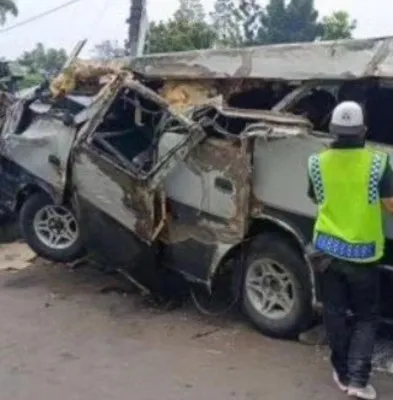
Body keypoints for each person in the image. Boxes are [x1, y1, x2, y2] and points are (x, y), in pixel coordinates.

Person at [307, 101, 393, 400]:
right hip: (363, 254)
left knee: (334, 312)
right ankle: (358, 381)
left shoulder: (316, 162)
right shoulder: (379, 163)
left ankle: (342, 373)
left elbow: (316, 197)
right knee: (366, 318)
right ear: (364, 131)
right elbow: (390, 206)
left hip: (326, 251)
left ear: (332, 129)